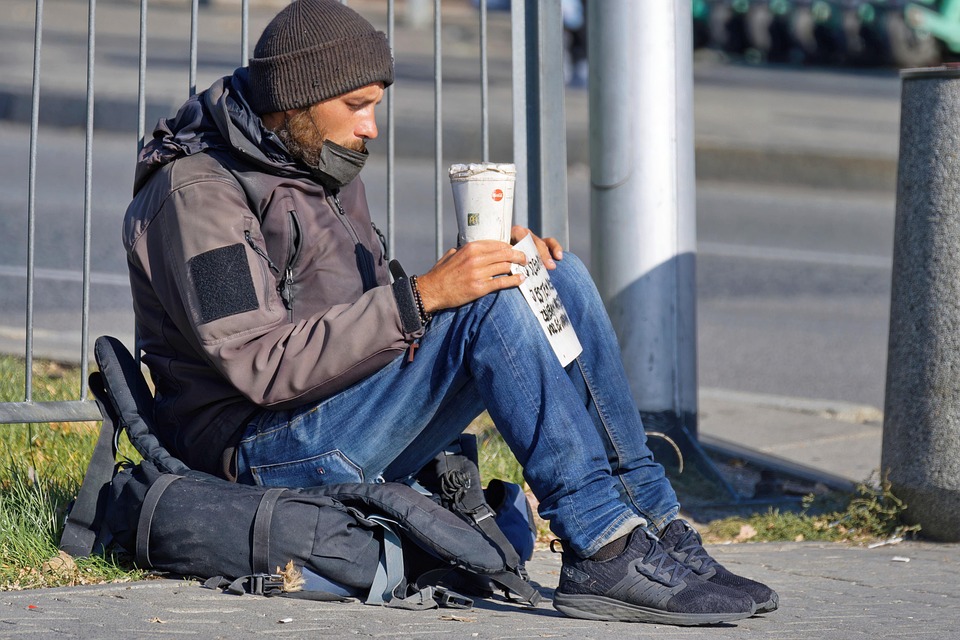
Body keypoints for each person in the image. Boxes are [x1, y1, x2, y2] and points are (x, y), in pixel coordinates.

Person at [122, 0, 777, 626]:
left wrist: (467, 271)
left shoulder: (308, 157)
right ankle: (601, 547)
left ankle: (655, 524)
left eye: (376, 107)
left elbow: (353, 317)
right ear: (293, 101)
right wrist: (427, 297)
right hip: (262, 447)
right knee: (486, 310)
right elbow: (262, 364)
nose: (370, 126)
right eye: (356, 107)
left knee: (552, 276)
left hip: (329, 409)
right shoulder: (198, 196)